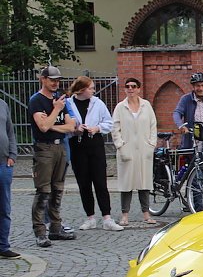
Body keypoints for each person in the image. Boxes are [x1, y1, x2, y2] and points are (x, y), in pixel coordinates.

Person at [65, 76, 123, 231]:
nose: (93, 91)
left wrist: (97, 128)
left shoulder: (98, 103)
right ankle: (90, 217)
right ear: (81, 89)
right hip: (77, 145)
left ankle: (107, 217)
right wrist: (75, 129)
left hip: (95, 144)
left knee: (100, 182)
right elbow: (65, 124)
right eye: (90, 88)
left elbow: (109, 123)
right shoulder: (68, 104)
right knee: (83, 183)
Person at [28, 66, 76, 247]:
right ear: (43, 79)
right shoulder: (37, 100)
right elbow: (42, 127)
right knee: (43, 191)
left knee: (57, 190)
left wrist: (52, 124)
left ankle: (55, 228)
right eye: (52, 80)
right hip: (44, 149)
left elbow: (71, 126)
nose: (56, 83)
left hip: (60, 147)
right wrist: (56, 110)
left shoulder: (59, 99)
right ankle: (40, 232)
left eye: (58, 80)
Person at [112, 77, 158, 225]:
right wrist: (120, 145)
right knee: (126, 183)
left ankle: (146, 214)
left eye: (133, 86)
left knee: (144, 182)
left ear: (139, 89)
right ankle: (125, 215)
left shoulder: (146, 105)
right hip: (127, 149)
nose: (130, 89)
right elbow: (115, 129)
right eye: (127, 86)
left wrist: (151, 144)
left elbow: (153, 126)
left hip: (144, 149)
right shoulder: (120, 107)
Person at [0, 96, 18, 258]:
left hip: (4, 164)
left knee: (4, 208)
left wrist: (12, 154)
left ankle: (3, 246)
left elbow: (10, 132)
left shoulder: (2, 104)